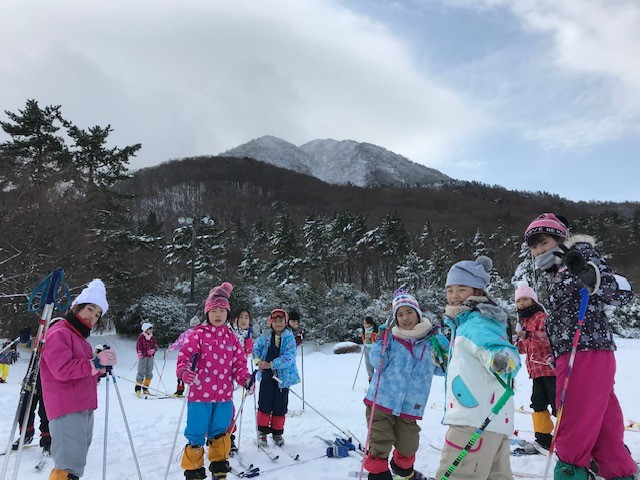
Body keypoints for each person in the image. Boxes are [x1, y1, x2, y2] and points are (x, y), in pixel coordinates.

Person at [525, 213, 636, 480]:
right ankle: (619, 472)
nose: (539, 250)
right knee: (602, 426)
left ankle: (570, 473)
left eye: (544, 242)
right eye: (534, 246)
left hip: (584, 349)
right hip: (585, 351)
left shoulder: (578, 256)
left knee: (573, 420)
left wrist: (588, 274)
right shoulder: (556, 274)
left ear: (561, 238)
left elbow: (620, 292)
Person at [434, 256, 521, 479]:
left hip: (473, 421)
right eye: (449, 289)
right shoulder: (466, 324)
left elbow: (502, 354)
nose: (453, 296)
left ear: (478, 292)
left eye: (461, 289)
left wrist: (501, 360)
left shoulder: (476, 323)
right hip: (493, 422)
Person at [362, 290, 446, 480]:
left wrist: (444, 349)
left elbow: (443, 369)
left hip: (411, 406)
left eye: (409, 312)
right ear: (395, 318)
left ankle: (402, 471)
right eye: (400, 314)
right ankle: (378, 475)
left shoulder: (429, 342)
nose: (405, 318)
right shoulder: (390, 338)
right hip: (382, 400)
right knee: (379, 445)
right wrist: (380, 341)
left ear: (418, 313)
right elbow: (377, 362)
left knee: (408, 446)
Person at [176, 282, 255, 480]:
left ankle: (219, 465)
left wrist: (245, 379)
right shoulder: (197, 335)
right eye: (214, 311)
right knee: (195, 433)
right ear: (207, 313)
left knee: (220, 433)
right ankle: (193, 469)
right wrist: (185, 373)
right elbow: (183, 359)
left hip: (223, 397)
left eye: (222, 310)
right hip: (199, 396)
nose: (218, 314)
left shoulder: (232, 338)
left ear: (228, 313)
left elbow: (239, 365)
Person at [40, 279, 117, 480]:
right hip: (67, 407)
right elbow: (62, 370)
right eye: (90, 309)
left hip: (83, 406)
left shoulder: (79, 339)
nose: (93, 316)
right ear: (77, 307)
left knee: (75, 465)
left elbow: (83, 371)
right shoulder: (60, 332)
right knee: (68, 467)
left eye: (98, 314)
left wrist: (100, 368)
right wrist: (95, 364)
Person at [514, 281, 556, 450]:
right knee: (537, 403)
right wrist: (516, 343)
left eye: (525, 299)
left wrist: (529, 334)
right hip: (536, 372)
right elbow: (524, 348)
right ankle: (543, 438)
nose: (522, 303)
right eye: (518, 300)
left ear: (533, 300)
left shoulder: (542, 318)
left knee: (558, 406)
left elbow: (550, 338)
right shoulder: (524, 321)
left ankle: (568, 437)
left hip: (550, 370)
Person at [253, 308, 300, 447]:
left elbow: (289, 357)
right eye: (275, 321)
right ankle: (262, 432)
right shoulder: (265, 336)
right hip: (267, 376)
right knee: (264, 403)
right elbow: (256, 350)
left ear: (286, 322)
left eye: (281, 320)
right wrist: (259, 362)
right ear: (271, 322)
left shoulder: (289, 337)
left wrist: (271, 364)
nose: (278, 323)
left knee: (280, 406)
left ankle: (277, 432)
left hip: (283, 378)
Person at [168, 316, 201, 397]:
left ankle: (180, 390)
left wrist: (170, 349)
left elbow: (179, 342)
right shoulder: (202, 332)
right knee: (197, 373)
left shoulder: (187, 333)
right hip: (198, 357)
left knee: (183, 371)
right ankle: (196, 390)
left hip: (187, 356)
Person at [135, 321, 158, 397]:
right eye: (149, 329)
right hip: (143, 357)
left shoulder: (152, 337)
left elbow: (155, 345)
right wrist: (139, 352)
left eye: (151, 329)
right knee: (141, 371)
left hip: (150, 357)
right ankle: (138, 388)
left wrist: (153, 350)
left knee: (149, 372)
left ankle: (145, 388)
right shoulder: (141, 337)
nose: (151, 330)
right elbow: (138, 346)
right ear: (145, 329)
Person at [361, 316, 378, 382]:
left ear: (370, 324)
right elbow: (363, 338)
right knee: (368, 364)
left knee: (375, 363)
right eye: (364, 323)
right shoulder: (364, 330)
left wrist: (371, 340)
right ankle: (371, 377)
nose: (364, 325)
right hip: (367, 348)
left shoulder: (375, 330)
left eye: (365, 323)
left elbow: (376, 340)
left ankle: (378, 378)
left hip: (374, 349)